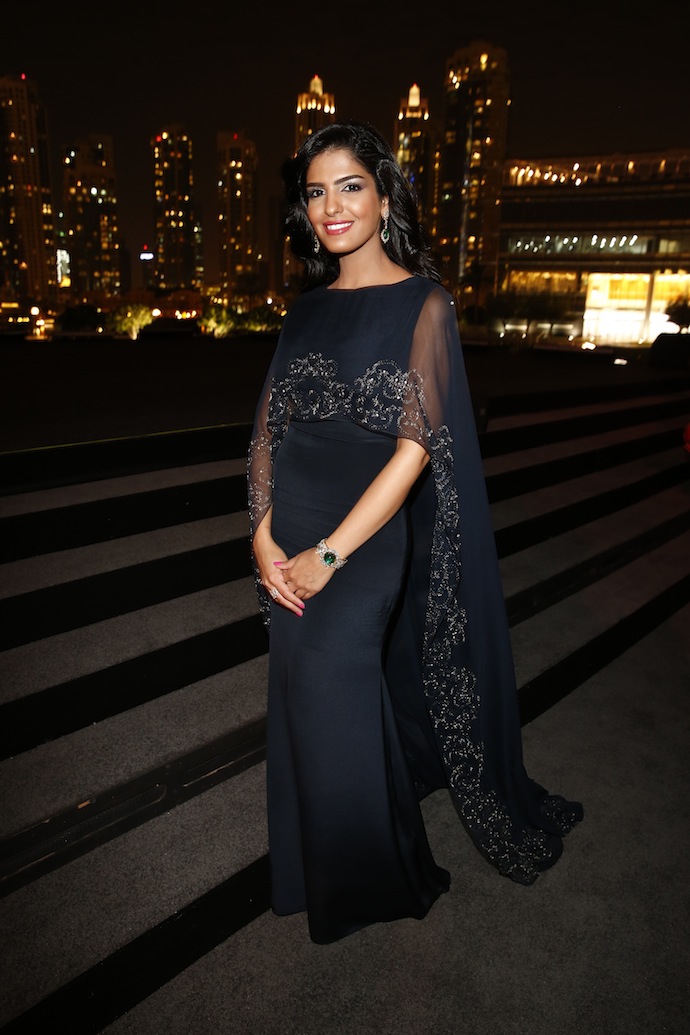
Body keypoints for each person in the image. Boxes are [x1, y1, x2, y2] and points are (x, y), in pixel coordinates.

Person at [248, 121, 583, 945]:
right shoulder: (303, 312)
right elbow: (266, 432)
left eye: (350, 186)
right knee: (305, 702)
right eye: (316, 191)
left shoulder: (424, 304)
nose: (332, 206)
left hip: (361, 543)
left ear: (385, 196)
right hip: (289, 530)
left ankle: (376, 875)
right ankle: (317, 866)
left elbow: (415, 448)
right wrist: (262, 537)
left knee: (330, 694)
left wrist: (330, 553)